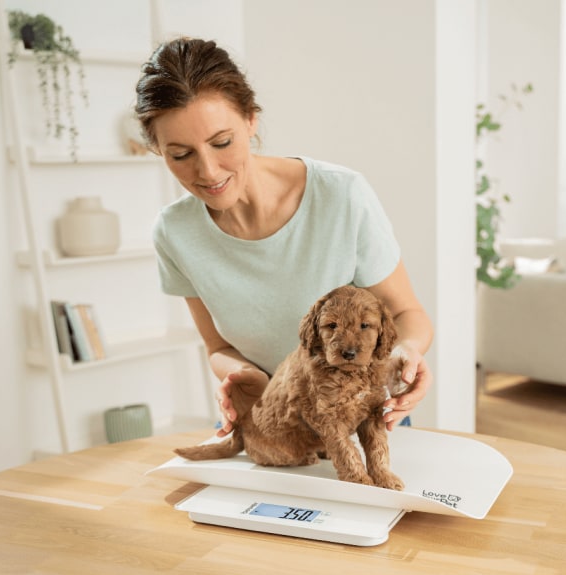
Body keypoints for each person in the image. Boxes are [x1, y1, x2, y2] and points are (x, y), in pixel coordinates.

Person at [135, 37, 433, 435]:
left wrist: (405, 352)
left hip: (359, 420)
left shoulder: (340, 196)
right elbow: (218, 348)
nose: (207, 171)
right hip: (269, 420)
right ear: (158, 150)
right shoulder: (176, 232)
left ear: (251, 119)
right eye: (181, 154)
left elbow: (406, 313)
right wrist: (245, 376)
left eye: (222, 143)